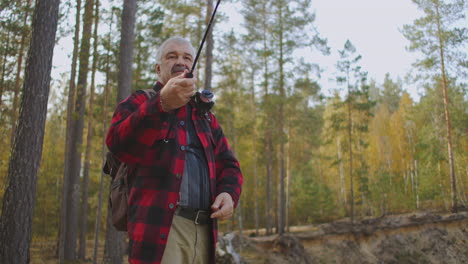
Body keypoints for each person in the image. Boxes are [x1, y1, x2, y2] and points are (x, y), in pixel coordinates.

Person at [106, 36, 243, 264]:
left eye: (187, 57)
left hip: (206, 232)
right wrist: (162, 104)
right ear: (158, 69)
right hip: (161, 230)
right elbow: (119, 145)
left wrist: (229, 194)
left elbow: (230, 166)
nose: (180, 61)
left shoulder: (206, 118)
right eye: (172, 56)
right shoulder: (140, 101)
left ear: (193, 70)